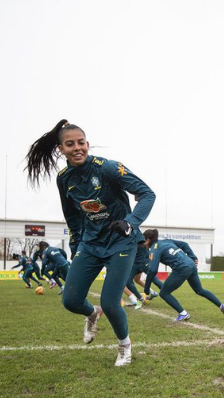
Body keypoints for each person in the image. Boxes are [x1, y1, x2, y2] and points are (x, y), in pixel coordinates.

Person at [25, 119, 155, 367]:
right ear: (60, 149)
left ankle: (124, 346)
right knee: (71, 301)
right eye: (70, 144)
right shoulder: (64, 179)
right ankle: (92, 313)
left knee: (110, 301)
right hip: (90, 245)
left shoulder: (108, 168)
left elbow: (147, 194)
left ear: (88, 144)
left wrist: (130, 221)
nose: (77, 148)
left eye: (81, 143)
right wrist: (76, 248)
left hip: (121, 243)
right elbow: (72, 217)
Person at [142, 229, 224, 321]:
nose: (143, 244)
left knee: (164, 293)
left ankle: (183, 314)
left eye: (143, 241)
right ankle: (221, 305)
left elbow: (152, 270)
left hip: (181, 268)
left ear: (148, 239)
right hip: (191, 264)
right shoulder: (166, 241)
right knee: (199, 290)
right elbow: (184, 244)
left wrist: (146, 288)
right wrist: (193, 257)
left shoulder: (154, 249)